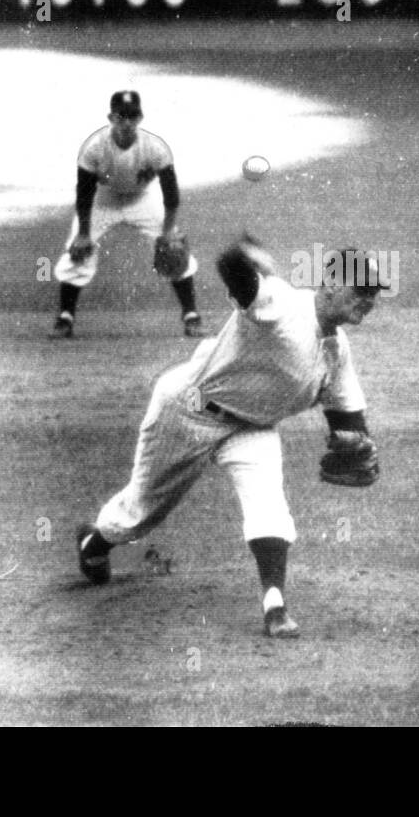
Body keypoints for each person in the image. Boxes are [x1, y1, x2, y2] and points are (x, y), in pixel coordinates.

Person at [75, 238, 387, 638]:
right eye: (361, 289)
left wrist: (355, 442)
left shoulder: (337, 353)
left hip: (251, 429)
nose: (369, 300)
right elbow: (236, 275)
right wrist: (244, 255)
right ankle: (95, 542)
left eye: (374, 293)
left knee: (269, 505)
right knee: (139, 513)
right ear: (330, 283)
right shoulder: (282, 303)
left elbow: (349, 418)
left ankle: (274, 604)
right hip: (189, 409)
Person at [50, 90, 202, 339]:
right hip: (103, 199)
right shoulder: (94, 148)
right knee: (77, 250)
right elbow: (84, 193)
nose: (127, 122)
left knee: (175, 249)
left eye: (132, 116)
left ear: (140, 117)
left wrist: (166, 233)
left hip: (141, 199)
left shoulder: (155, 148)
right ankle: (65, 318)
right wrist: (84, 234)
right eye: (122, 116)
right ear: (111, 117)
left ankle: (192, 317)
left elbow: (171, 195)